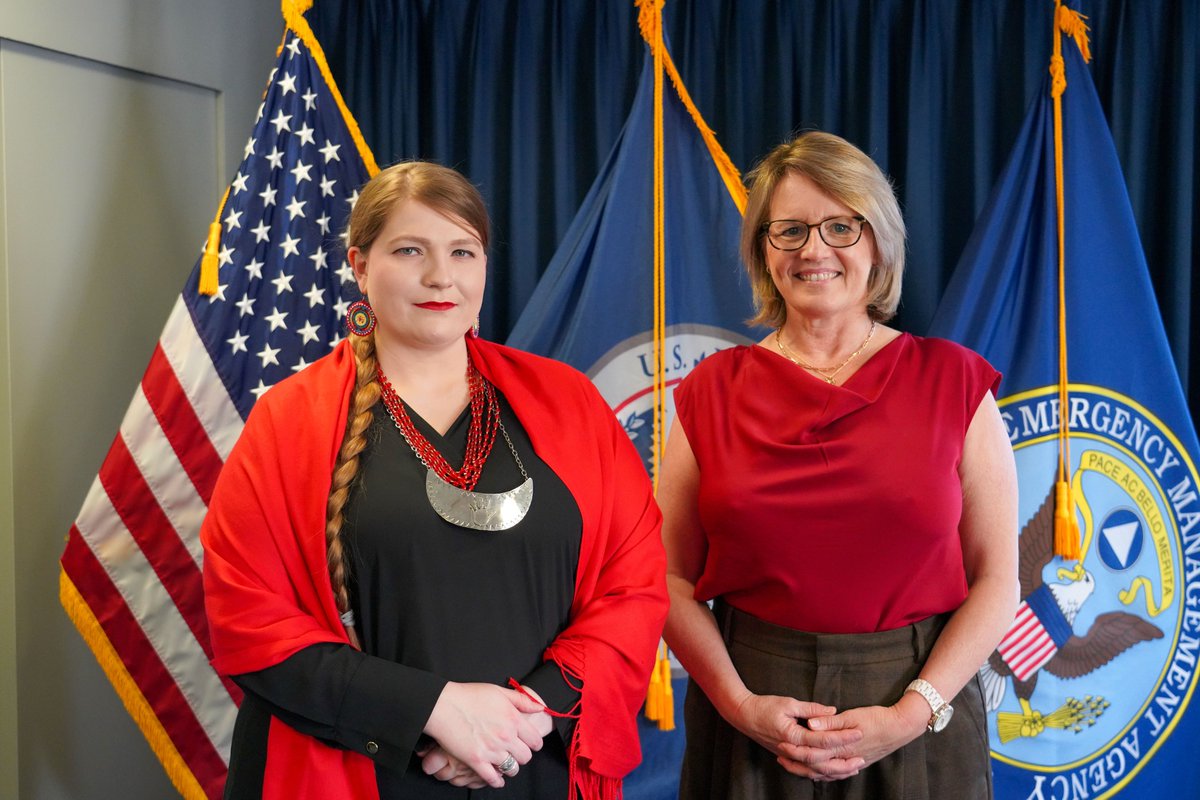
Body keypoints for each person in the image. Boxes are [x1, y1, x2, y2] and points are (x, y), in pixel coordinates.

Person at [201, 161, 668, 800]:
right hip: (362, 768)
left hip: (533, 758)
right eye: (409, 250)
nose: (440, 276)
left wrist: (526, 713)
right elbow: (249, 620)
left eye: (462, 251)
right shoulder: (290, 420)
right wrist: (434, 715)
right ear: (360, 265)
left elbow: (633, 584)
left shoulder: (569, 404)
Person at [658, 131, 1019, 799]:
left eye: (840, 227)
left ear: (877, 241)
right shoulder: (710, 391)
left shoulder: (955, 383)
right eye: (788, 230)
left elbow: (998, 581)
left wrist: (913, 713)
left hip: (918, 707)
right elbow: (669, 578)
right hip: (754, 714)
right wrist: (740, 708)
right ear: (764, 250)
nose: (814, 249)